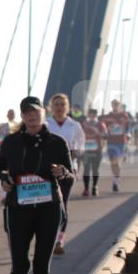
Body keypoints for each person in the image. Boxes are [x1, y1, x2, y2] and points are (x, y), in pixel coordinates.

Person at [0, 96, 73, 274]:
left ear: (43, 112)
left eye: (36, 111)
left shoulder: (57, 143)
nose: (32, 116)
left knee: (41, 264)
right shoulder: (11, 142)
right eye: (27, 112)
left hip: (48, 208)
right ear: (22, 116)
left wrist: (62, 172)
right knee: (20, 264)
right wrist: (5, 180)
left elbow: (70, 175)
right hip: (18, 208)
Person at [45, 94, 84, 255]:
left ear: (67, 107)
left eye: (62, 104)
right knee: (47, 205)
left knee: (62, 204)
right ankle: (47, 237)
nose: (59, 107)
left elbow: (81, 145)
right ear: (51, 107)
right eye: (56, 104)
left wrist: (75, 153)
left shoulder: (74, 126)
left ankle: (59, 240)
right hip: (46, 171)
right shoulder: (45, 124)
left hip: (67, 170)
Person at [101, 99, 131, 192]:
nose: (115, 106)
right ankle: (115, 177)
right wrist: (105, 132)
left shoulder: (124, 115)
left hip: (120, 141)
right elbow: (103, 128)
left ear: (119, 106)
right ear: (111, 105)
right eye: (113, 104)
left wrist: (128, 134)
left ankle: (115, 182)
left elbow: (127, 128)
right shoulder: (107, 116)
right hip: (110, 141)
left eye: (117, 104)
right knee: (113, 163)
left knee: (117, 162)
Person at [80, 108, 107, 196]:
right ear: (88, 115)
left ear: (96, 115)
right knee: (86, 170)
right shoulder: (84, 124)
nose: (92, 116)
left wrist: (98, 133)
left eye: (93, 115)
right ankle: (86, 189)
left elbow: (105, 135)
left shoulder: (100, 124)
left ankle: (94, 187)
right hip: (86, 151)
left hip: (97, 150)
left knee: (95, 170)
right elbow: (79, 135)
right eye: (90, 114)